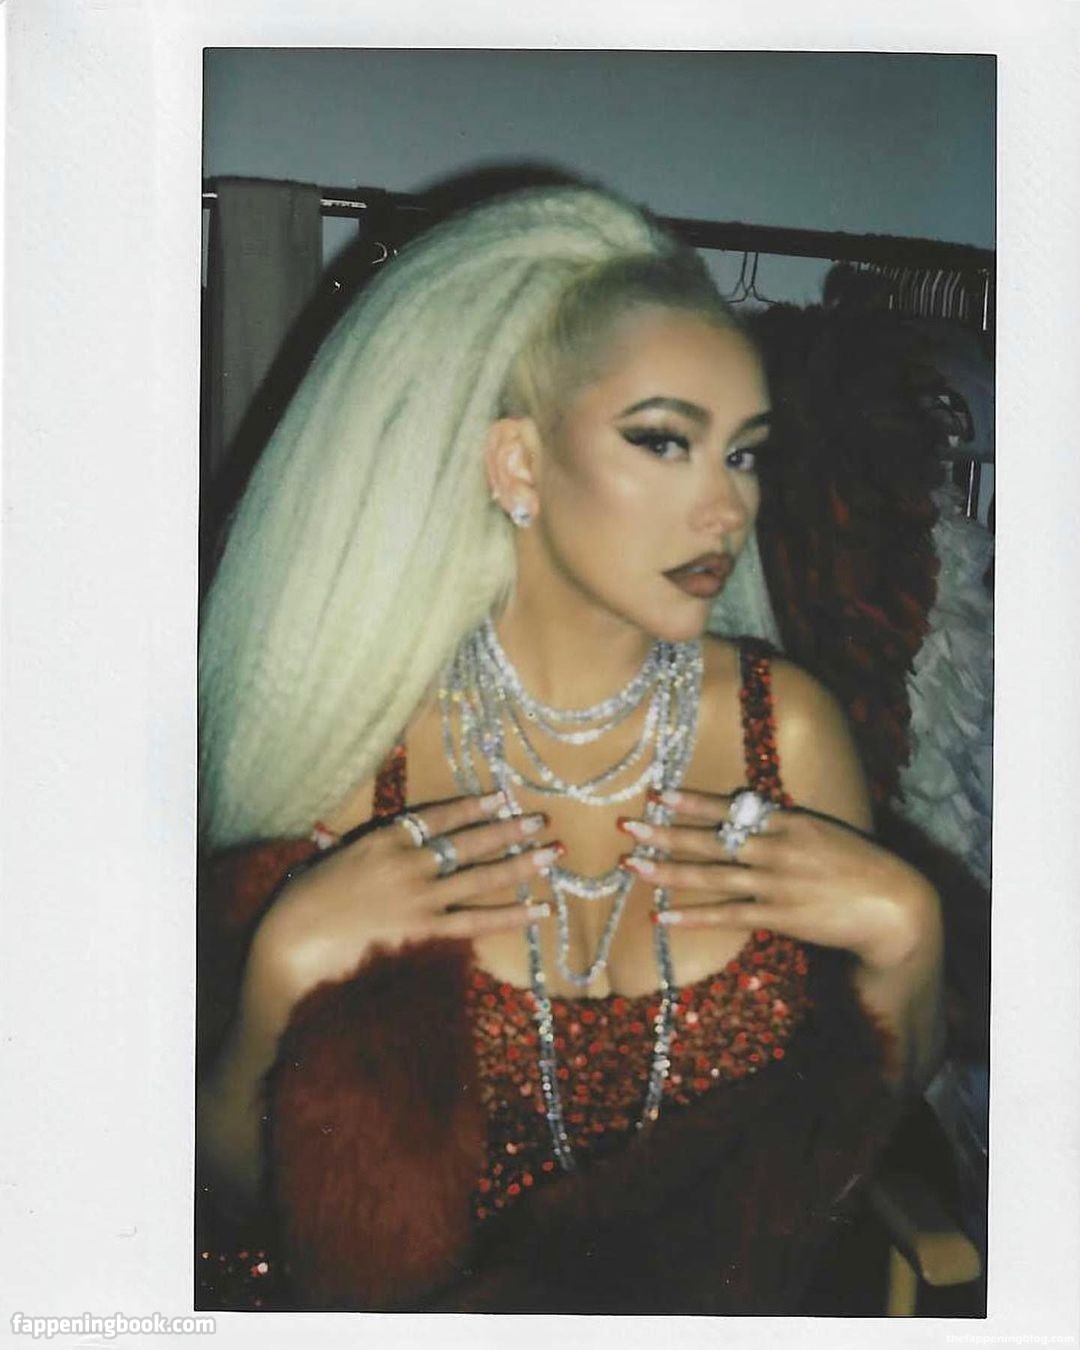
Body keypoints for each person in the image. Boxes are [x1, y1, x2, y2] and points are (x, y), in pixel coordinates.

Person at [196, 183, 944, 1314]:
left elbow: (849, 1150)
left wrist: (910, 937)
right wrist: (282, 973)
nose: (726, 508)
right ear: (517, 466)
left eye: (744, 455)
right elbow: (233, 1209)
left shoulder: (786, 732)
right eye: (664, 441)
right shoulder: (360, 749)